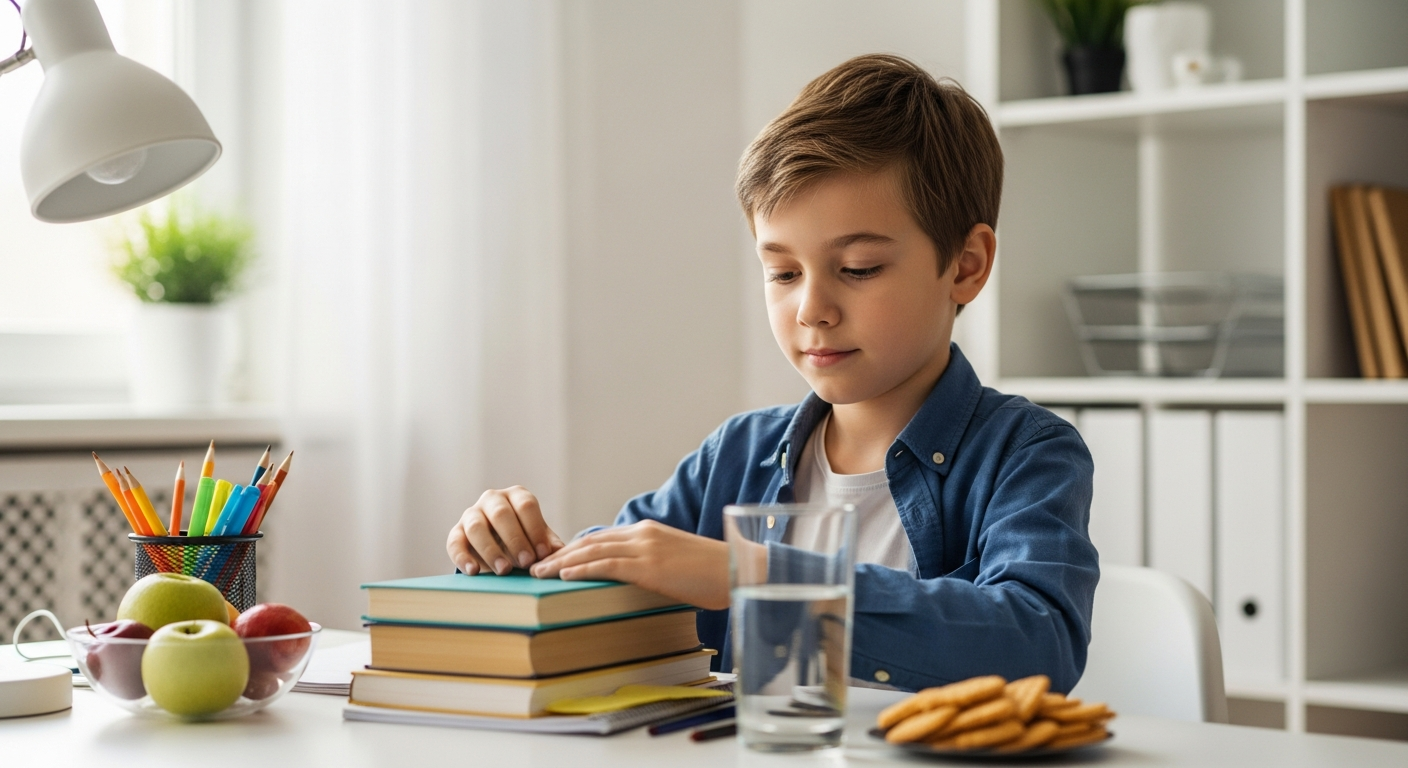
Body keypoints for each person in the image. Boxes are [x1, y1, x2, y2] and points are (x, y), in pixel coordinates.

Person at [446, 54, 1098, 692]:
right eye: (783, 273)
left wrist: (755, 575)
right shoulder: (735, 456)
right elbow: (611, 580)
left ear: (965, 265)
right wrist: (513, 553)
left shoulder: (1026, 453)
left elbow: (1035, 643)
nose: (812, 309)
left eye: (859, 268)